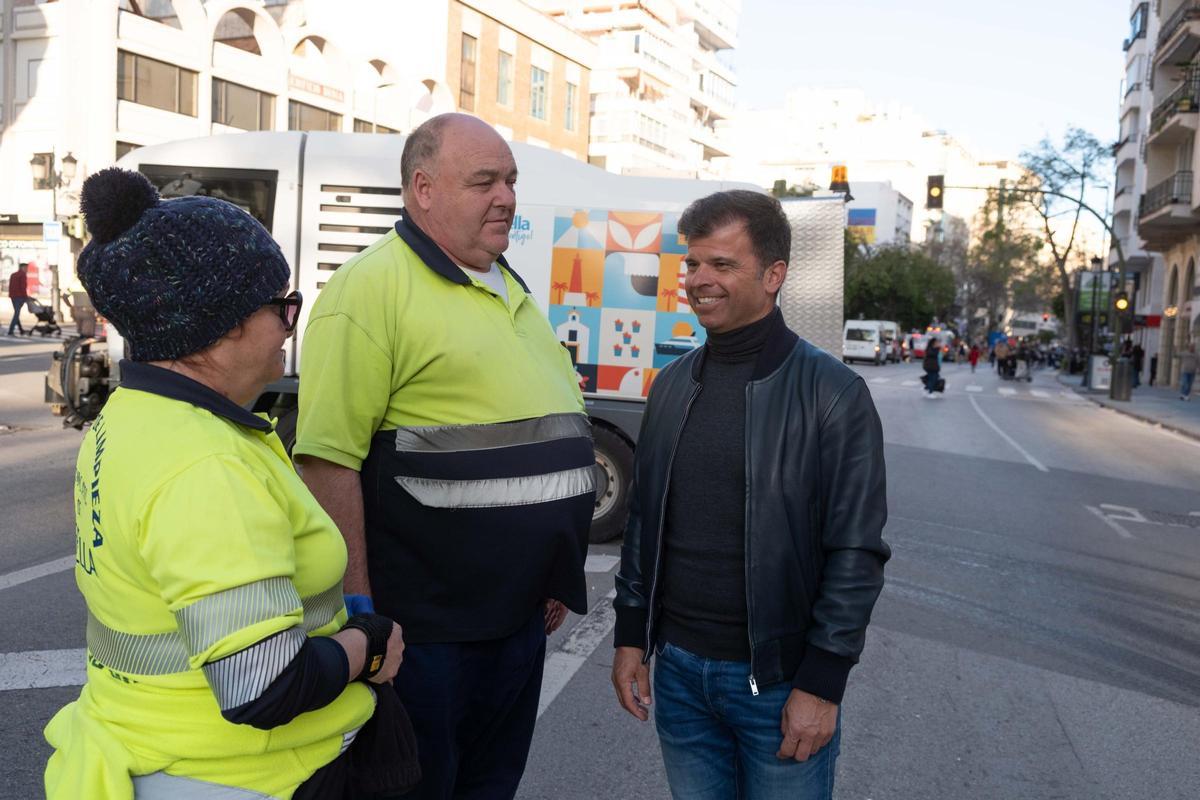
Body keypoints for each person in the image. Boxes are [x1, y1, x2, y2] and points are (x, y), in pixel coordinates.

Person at [43, 168, 410, 799]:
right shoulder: (204, 466)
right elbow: (262, 687)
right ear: (219, 328)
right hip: (248, 774)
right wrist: (367, 646)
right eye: (282, 307)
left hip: (161, 750)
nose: (290, 328)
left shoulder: (135, 417)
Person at [294, 113, 594, 800]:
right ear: (422, 189)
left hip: (517, 622)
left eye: (511, 181)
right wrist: (361, 613)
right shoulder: (369, 291)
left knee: (489, 786)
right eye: (484, 181)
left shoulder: (507, 284)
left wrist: (553, 568)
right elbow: (327, 464)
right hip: (425, 636)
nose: (506, 198)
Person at [610, 190, 890, 800]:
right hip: (680, 675)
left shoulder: (833, 394)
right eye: (693, 264)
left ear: (773, 275)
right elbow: (642, 523)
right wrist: (631, 636)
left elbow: (856, 554)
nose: (699, 281)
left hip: (780, 684)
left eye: (722, 265)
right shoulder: (672, 385)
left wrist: (822, 684)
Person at [7, 262, 30, 336]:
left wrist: (10, 295)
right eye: (26, 268)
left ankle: (21, 330)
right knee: (16, 314)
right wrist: (25, 296)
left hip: (13, 296)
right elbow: (23, 287)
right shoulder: (22, 275)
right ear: (22, 267)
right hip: (20, 297)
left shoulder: (13, 275)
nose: (27, 269)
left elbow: (10, 286)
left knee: (17, 313)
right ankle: (11, 330)